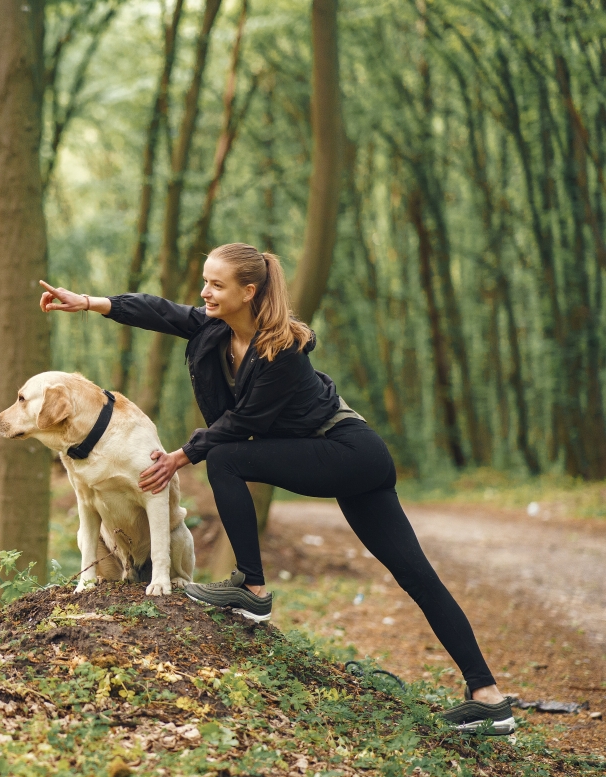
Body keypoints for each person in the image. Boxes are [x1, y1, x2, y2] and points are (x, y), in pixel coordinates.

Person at [38, 241, 515, 735]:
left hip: (349, 451)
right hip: (330, 455)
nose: (204, 292)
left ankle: (252, 586)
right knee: (415, 574)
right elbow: (158, 310)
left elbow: (244, 421)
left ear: (249, 291)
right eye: (204, 281)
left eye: (216, 285)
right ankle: (489, 698)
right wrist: (90, 302)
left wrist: (180, 456)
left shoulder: (282, 351)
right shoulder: (213, 328)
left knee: (224, 457)